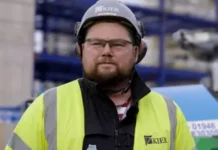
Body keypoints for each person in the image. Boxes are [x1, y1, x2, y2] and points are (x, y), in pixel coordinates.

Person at [5, 0, 196, 150]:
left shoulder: (169, 112)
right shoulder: (46, 108)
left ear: (136, 52)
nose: (106, 51)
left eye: (118, 44)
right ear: (81, 50)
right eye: (96, 43)